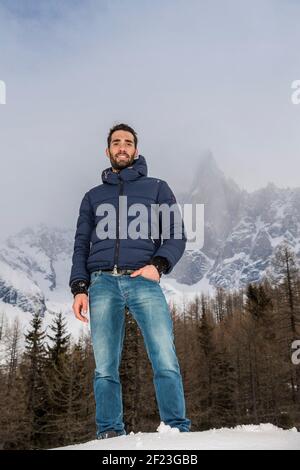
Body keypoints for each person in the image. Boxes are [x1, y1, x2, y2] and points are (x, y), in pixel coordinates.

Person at [69, 123, 191, 439]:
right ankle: (110, 433)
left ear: (135, 150)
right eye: (116, 142)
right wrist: (79, 287)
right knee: (104, 366)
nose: (122, 147)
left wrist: (159, 265)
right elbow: (81, 243)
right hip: (101, 283)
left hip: (143, 279)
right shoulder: (92, 197)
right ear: (108, 150)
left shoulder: (157, 188)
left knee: (164, 356)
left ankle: (176, 427)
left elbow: (176, 234)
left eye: (128, 142)